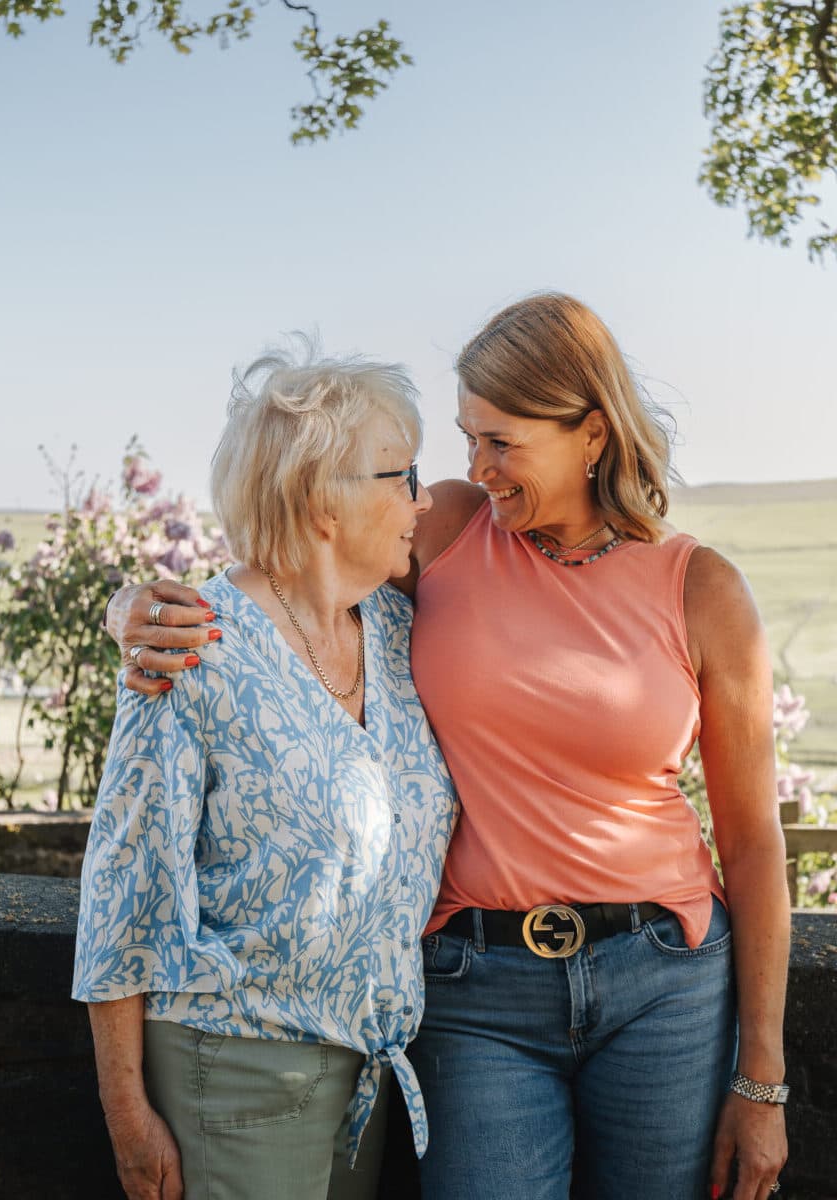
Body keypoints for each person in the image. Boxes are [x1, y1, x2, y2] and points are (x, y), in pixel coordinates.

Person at [102, 293, 791, 1200]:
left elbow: (751, 845)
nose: (475, 468)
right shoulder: (455, 525)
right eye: (467, 438)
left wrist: (763, 1080)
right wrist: (131, 610)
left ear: (591, 434)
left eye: (502, 442)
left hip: (663, 984)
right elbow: (290, 548)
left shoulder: (703, 589)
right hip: (474, 986)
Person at [73, 341, 457, 1200]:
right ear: (324, 497)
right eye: (402, 476)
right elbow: (124, 892)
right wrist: (125, 1111)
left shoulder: (395, 630)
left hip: (369, 1069)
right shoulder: (191, 647)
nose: (423, 500)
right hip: (235, 1070)